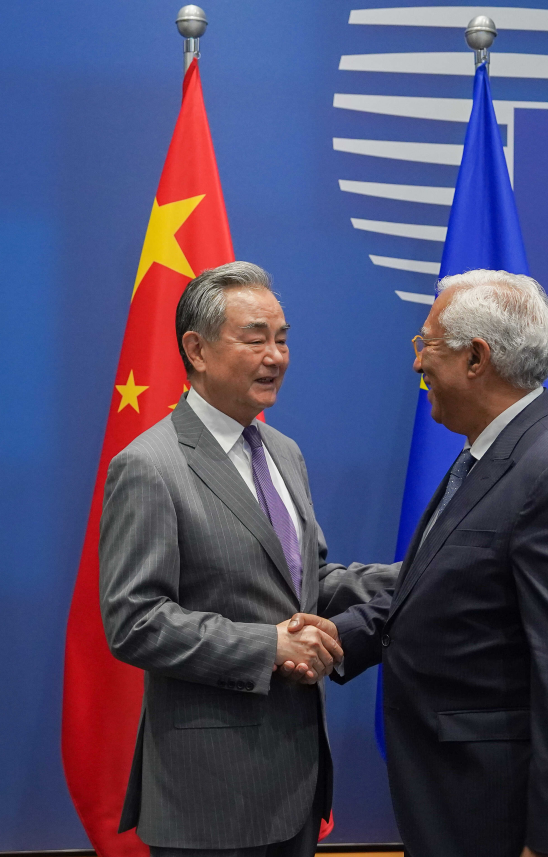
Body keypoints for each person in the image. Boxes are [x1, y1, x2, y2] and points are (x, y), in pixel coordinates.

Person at [295, 269, 548, 857]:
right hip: (456, 798)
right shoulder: (488, 455)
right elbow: (440, 589)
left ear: (476, 358)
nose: (418, 364)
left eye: (428, 346)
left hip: (503, 814)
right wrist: (340, 637)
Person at [99, 261, 395, 857]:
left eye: (283, 339)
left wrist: (419, 574)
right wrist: (269, 646)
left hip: (296, 788)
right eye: (256, 338)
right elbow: (135, 621)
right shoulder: (150, 466)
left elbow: (306, 584)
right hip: (208, 797)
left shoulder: (284, 452)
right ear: (197, 349)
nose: (277, 356)